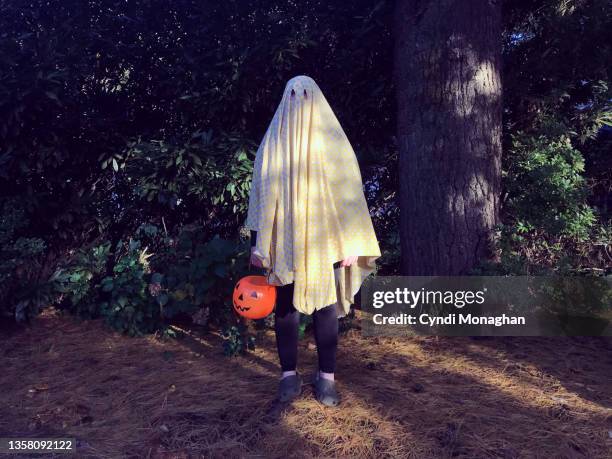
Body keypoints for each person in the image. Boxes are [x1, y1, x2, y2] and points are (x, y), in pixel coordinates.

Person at [244, 75, 381, 407]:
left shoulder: (334, 144)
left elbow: (348, 193)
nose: (298, 102)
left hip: (326, 242)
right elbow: (260, 199)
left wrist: (351, 244)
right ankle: (288, 376)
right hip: (283, 241)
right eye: (291, 95)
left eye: (304, 95)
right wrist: (257, 244)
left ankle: (327, 378)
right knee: (286, 306)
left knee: (325, 307)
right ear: (284, 100)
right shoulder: (271, 145)